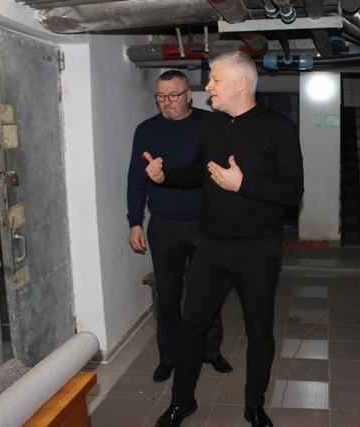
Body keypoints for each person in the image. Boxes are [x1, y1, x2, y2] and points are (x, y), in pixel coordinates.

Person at [145, 51, 304, 427]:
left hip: (258, 248)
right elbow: (199, 172)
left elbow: (291, 191)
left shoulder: (278, 126)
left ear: (241, 83)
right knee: (191, 326)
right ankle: (182, 402)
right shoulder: (212, 126)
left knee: (259, 332)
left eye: (215, 79)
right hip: (211, 244)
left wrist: (243, 184)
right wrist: (165, 177)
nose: (208, 86)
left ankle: (254, 405)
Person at [126, 70, 232, 383]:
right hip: (164, 225)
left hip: (206, 224)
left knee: (207, 293)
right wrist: (135, 222)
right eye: (161, 96)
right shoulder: (146, 130)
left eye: (173, 95)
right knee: (168, 296)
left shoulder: (210, 124)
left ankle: (211, 350)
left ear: (188, 95)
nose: (167, 102)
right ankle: (168, 357)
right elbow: (135, 179)